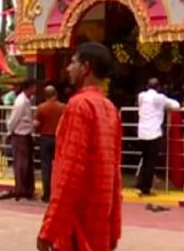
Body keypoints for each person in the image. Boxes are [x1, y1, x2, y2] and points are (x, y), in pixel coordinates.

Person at [37, 42, 123, 251]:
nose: (68, 68)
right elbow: (115, 174)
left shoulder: (79, 105)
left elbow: (70, 172)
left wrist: (49, 228)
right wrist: (114, 227)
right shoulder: (109, 108)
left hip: (77, 222)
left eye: (73, 62)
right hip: (100, 218)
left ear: (86, 67)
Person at [136, 78, 180, 196]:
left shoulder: (141, 96)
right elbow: (176, 105)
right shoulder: (159, 98)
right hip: (153, 133)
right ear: (158, 87)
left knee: (144, 160)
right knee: (150, 162)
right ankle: (146, 188)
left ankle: (140, 185)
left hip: (142, 133)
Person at [34, 85, 65, 202]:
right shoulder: (63, 107)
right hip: (59, 138)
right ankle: (58, 192)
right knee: (60, 166)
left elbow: (36, 124)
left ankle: (46, 194)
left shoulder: (41, 108)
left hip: (45, 138)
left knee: (46, 167)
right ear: (55, 94)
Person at [7, 80, 37, 201]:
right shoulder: (21, 102)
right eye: (33, 88)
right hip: (20, 134)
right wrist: (10, 132)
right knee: (21, 164)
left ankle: (27, 190)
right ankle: (21, 190)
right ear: (28, 88)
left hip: (25, 134)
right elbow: (14, 119)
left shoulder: (26, 100)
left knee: (27, 164)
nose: (35, 90)